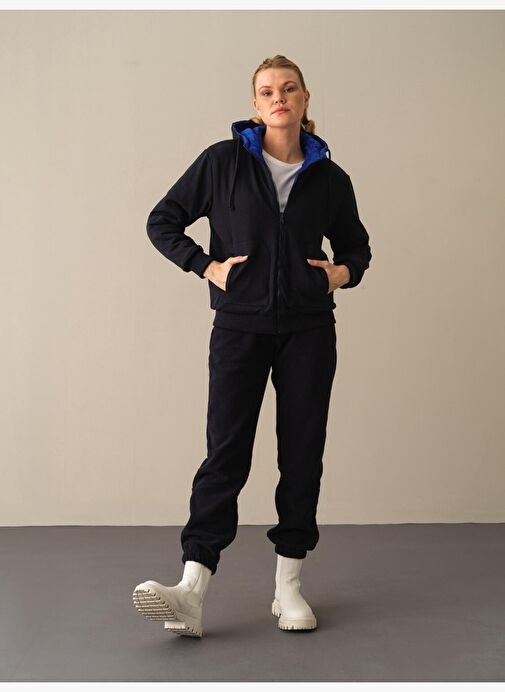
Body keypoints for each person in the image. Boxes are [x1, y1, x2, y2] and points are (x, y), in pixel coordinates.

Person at [132, 54, 372, 638]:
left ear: (305, 99)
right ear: (255, 105)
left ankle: (288, 587)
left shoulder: (330, 178)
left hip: (308, 331)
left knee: (302, 453)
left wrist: (337, 275)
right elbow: (163, 220)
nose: (278, 97)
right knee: (226, 453)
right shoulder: (223, 162)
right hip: (239, 327)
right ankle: (191, 590)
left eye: (288, 88)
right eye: (267, 91)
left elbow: (357, 249)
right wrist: (207, 266)